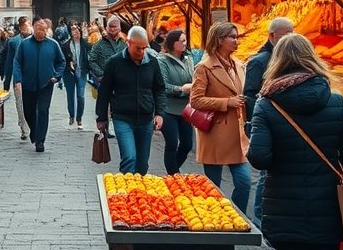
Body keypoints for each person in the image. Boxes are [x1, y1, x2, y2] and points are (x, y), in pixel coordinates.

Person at [247, 33, 343, 250]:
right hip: (327, 210)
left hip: (282, 210)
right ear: (312, 57)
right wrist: (330, 172)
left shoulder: (266, 105)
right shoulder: (336, 101)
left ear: (277, 61)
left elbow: (259, 157)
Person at [190, 21, 251, 213]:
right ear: (219, 40)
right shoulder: (204, 67)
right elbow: (196, 101)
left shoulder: (239, 65)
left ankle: (236, 216)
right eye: (232, 37)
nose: (237, 41)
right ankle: (216, 222)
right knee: (213, 187)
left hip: (237, 134)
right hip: (215, 133)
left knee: (244, 183)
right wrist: (226, 102)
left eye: (237, 37)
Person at [244, 16, 294, 225]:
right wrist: (258, 123)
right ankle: (258, 220)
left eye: (292, 34)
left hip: (287, 125)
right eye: (286, 34)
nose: (289, 38)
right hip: (267, 125)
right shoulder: (258, 62)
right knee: (264, 176)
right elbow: (249, 95)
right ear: (272, 36)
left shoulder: (289, 59)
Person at [96, 26, 166, 174]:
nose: (141, 52)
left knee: (142, 165)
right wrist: (101, 118)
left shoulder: (152, 62)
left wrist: (160, 113)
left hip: (146, 119)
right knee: (129, 157)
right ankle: (125, 193)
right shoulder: (114, 63)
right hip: (123, 118)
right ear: (128, 42)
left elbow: (159, 88)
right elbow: (104, 91)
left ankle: (138, 195)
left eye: (144, 48)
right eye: (138, 48)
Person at [13, 18, 66, 152]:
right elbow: (17, 62)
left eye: (44, 30)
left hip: (46, 84)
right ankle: (34, 132)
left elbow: (61, 62)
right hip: (28, 84)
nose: (42, 32)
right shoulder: (24, 44)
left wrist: (57, 76)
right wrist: (17, 80)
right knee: (29, 112)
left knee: (43, 111)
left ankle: (40, 140)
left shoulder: (53, 44)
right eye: (39, 29)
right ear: (34, 29)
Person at [158, 29, 195, 175]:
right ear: (173, 43)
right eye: (182, 40)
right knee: (172, 143)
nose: (185, 43)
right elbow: (162, 85)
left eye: (186, 40)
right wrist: (181, 89)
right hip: (168, 108)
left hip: (186, 109)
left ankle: (172, 172)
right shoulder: (162, 61)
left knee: (187, 144)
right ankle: (174, 175)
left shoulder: (189, 59)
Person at [90, 16, 127, 138]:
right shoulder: (99, 45)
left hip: (121, 82)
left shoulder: (124, 44)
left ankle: (119, 127)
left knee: (118, 106)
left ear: (119, 28)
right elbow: (92, 60)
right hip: (105, 81)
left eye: (114, 26)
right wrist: (100, 74)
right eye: (110, 26)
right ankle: (104, 128)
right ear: (106, 28)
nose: (112, 29)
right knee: (104, 106)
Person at [2, 17, 30, 140]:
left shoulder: (36, 40)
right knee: (20, 103)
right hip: (18, 78)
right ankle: (24, 128)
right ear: (20, 28)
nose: (27, 28)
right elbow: (9, 63)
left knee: (30, 104)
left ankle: (26, 124)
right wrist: (6, 83)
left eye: (29, 25)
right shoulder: (13, 42)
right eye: (25, 26)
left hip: (32, 78)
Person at [61, 24, 90, 130]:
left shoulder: (85, 44)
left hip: (82, 72)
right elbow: (62, 60)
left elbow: (92, 55)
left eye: (77, 30)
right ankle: (72, 115)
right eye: (73, 30)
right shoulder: (65, 45)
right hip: (69, 73)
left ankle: (79, 118)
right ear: (70, 32)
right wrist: (69, 63)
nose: (76, 33)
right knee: (70, 95)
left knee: (81, 96)